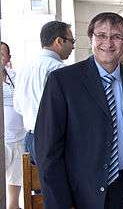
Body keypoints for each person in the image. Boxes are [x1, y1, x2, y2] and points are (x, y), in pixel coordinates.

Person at [34, 12, 123, 209]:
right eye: (101, 35)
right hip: (81, 191)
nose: (108, 43)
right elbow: (48, 151)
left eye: (116, 36)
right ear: (91, 38)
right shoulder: (63, 81)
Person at [14, 21, 74, 164]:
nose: (73, 46)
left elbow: (18, 106)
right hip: (53, 138)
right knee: (57, 184)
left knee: (38, 184)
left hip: (29, 138)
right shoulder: (59, 70)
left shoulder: (25, 68)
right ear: (59, 41)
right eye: (72, 41)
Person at [2, 42, 26, 209]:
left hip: (18, 138)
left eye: (3, 54)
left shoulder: (15, 76)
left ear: (9, 58)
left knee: (14, 187)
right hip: (3, 141)